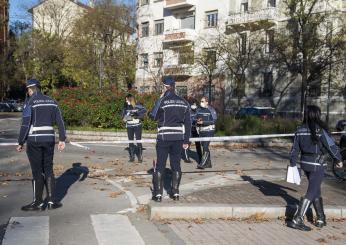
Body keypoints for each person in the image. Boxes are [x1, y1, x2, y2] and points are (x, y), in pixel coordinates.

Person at [287, 105, 343, 231]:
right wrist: (338, 160)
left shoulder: (299, 129)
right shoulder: (320, 130)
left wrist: (293, 163)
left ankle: (321, 218)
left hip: (305, 164)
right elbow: (331, 146)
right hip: (317, 164)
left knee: (315, 189)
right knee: (312, 191)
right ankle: (298, 219)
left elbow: (294, 149)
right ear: (317, 115)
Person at [16, 79, 66, 211]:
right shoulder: (52, 101)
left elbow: (26, 124)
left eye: (28, 90)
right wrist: (62, 139)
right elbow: (60, 122)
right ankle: (51, 201)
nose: (28, 92)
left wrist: (20, 141)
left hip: (35, 140)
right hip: (49, 139)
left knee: (37, 171)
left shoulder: (30, 102)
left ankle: (37, 202)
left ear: (31, 89)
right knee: (48, 168)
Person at [149, 76, 191, 202]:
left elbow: (153, 116)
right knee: (176, 165)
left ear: (165, 87)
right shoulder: (184, 102)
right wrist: (186, 140)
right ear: (174, 86)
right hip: (178, 137)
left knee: (160, 165)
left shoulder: (162, 101)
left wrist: (158, 101)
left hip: (164, 137)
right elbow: (188, 122)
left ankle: (158, 194)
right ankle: (176, 192)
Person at [122, 94, 147, 162]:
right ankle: (132, 157)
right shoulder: (125, 107)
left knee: (138, 141)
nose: (126, 101)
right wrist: (129, 116)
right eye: (126, 100)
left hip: (137, 125)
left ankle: (140, 157)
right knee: (130, 141)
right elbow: (123, 118)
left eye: (127, 99)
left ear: (131, 99)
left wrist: (137, 115)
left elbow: (144, 111)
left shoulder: (137, 105)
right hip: (129, 126)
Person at [196, 96, 217, 169]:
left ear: (207, 102)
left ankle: (203, 163)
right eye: (201, 101)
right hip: (201, 131)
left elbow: (214, 120)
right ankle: (209, 163)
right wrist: (197, 120)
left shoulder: (211, 109)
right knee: (205, 147)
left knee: (205, 146)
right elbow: (194, 118)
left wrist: (204, 122)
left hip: (209, 131)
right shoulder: (199, 110)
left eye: (202, 101)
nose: (201, 103)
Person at [182, 99, 202, 164]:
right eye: (193, 104)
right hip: (189, 129)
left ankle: (200, 158)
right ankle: (186, 158)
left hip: (195, 129)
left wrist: (199, 121)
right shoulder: (188, 111)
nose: (194, 106)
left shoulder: (198, 111)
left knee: (198, 144)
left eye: (195, 104)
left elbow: (199, 119)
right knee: (187, 143)